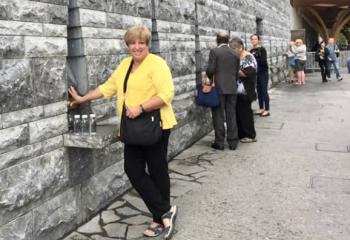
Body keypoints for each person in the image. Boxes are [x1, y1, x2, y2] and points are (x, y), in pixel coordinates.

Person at [68, 25, 178, 239]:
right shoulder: (125, 65)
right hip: (132, 129)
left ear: (147, 44)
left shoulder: (157, 64)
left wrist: (141, 107)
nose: (137, 47)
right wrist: (83, 98)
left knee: (157, 170)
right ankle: (165, 210)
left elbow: (166, 95)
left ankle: (158, 220)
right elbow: (107, 88)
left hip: (156, 125)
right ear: (127, 45)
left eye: (141, 43)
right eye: (132, 43)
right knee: (132, 169)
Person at [206, 31, 240, 150]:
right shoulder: (235, 53)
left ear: (217, 40)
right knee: (231, 114)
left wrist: (210, 77)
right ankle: (233, 142)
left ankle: (219, 142)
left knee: (218, 115)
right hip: (232, 88)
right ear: (227, 40)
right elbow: (236, 73)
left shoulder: (214, 51)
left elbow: (210, 70)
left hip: (218, 89)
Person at [229, 37, 257, 143]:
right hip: (237, 91)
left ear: (240, 48)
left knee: (245, 114)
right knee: (238, 113)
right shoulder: (237, 57)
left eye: (233, 48)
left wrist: (233, 68)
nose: (231, 51)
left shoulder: (248, 57)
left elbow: (247, 73)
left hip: (245, 91)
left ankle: (250, 135)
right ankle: (241, 134)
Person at [250, 34, 270, 117]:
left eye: (255, 39)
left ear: (258, 40)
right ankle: (261, 108)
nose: (254, 40)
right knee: (258, 91)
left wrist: (254, 58)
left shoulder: (262, 50)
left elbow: (263, 61)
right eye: (252, 39)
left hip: (263, 73)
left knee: (264, 91)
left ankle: (267, 109)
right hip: (255, 74)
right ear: (251, 41)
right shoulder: (250, 51)